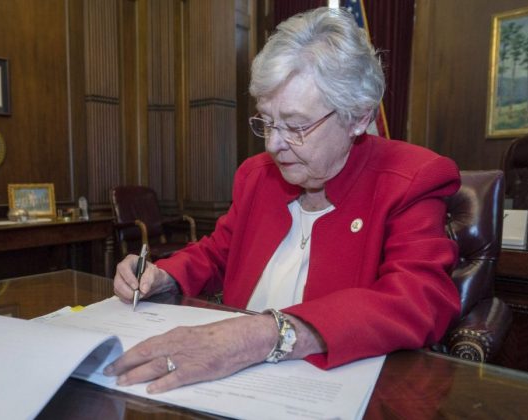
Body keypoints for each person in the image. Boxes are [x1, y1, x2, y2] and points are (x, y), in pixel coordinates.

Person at [104, 7, 461, 394]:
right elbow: (219, 252)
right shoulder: (257, 175)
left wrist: (262, 334)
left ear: (357, 117)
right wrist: (164, 275)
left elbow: (419, 301)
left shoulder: (412, 179)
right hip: (232, 385)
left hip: (332, 391)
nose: (274, 144)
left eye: (295, 125)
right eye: (267, 121)